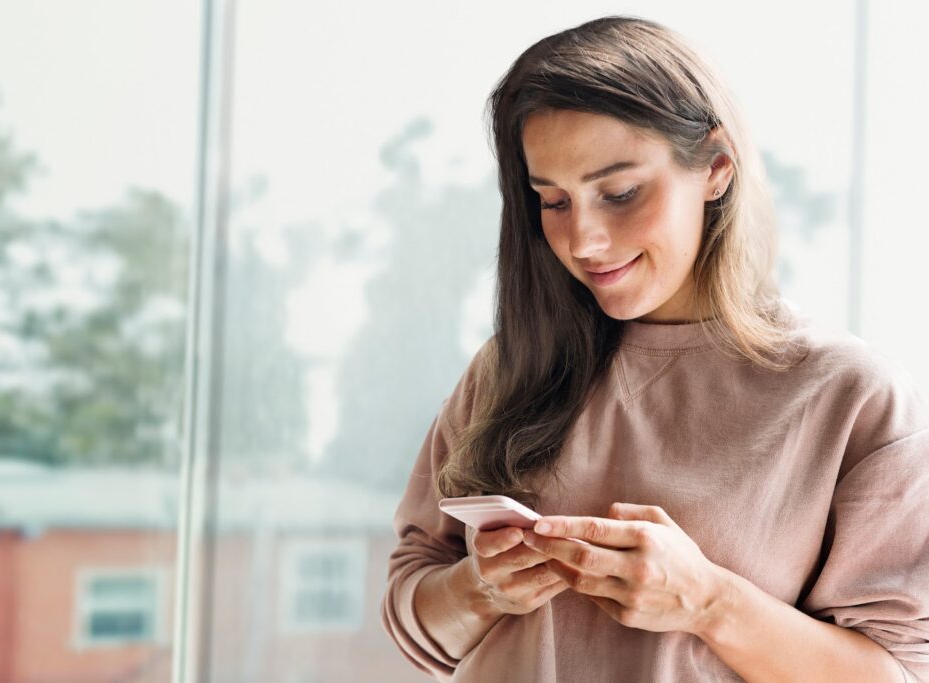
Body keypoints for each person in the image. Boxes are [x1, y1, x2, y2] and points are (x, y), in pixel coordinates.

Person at [380, 15, 929, 683]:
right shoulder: (510, 368)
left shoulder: (851, 398)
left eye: (619, 193)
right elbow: (414, 608)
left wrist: (708, 601)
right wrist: (479, 588)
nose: (583, 240)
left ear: (717, 168)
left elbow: (895, 669)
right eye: (552, 201)